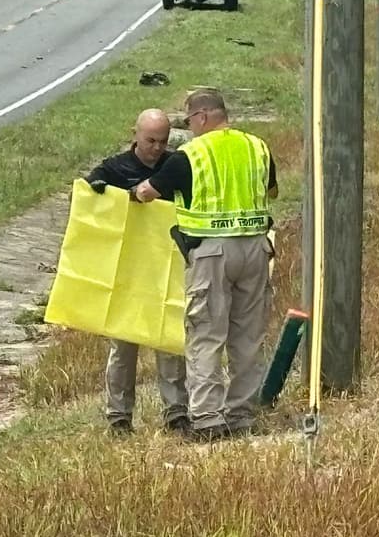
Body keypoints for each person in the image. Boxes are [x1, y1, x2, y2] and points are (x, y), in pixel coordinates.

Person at [133, 88, 277, 441]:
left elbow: (149, 192)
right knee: (247, 336)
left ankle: (209, 418)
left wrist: (135, 192)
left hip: (211, 255)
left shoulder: (190, 156)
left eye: (190, 121)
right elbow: (271, 192)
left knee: (206, 335)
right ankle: (242, 414)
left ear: (201, 117)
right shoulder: (257, 147)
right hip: (256, 249)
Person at [86, 109, 189, 435]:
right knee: (123, 348)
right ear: (135, 135)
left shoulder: (175, 165)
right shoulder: (113, 168)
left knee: (170, 342)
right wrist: (99, 192)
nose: (156, 148)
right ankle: (118, 417)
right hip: (128, 272)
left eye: (162, 141)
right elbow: (88, 206)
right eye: (150, 141)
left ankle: (176, 413)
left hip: (166, 269)